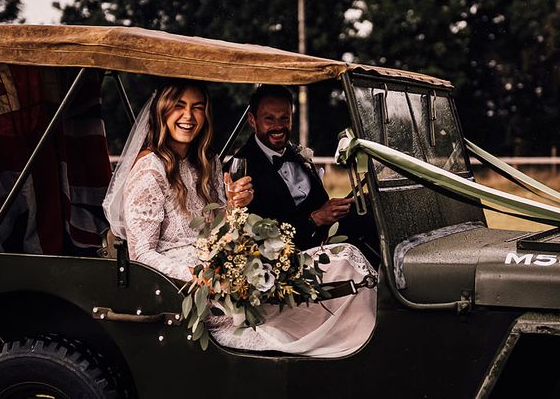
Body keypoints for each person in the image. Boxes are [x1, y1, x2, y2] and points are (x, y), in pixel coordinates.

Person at [103, 79, 376, 358]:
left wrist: (235, 207)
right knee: (295, 291)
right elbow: (142, 254)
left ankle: (360, 345)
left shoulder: (205, 162)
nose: (188, 116)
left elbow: (222, 228)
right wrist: (200, 277)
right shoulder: (150, 170)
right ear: (163, 112)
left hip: (223, 267)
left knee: (344, 261)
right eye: (179, 107)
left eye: (197, 108)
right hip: (189, 288)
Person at [236, 85, 355, 249]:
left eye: (284, 118)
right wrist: (315, 219)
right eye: (269, 119)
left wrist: (342, 207)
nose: (278, 126)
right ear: (252, 120)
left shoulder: (296, 153)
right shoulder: (240, 168)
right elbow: (259, 238)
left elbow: (320, 202)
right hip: (284, 262)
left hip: (327, 243)